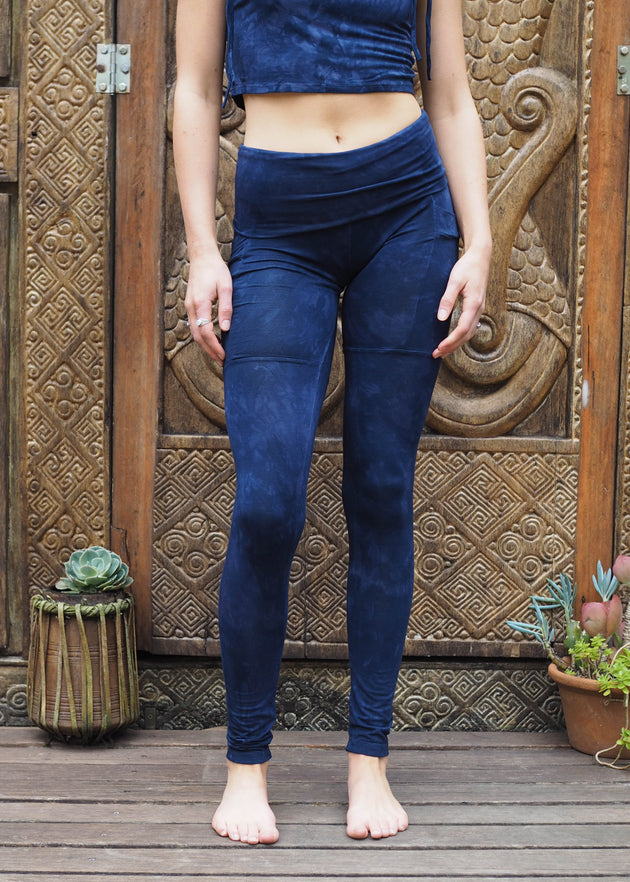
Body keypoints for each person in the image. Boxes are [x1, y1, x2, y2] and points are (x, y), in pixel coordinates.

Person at [173, 0, 491, 846]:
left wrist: (480, 240)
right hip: (279, 223)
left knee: (381, 489)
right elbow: (195, 89)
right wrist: (203, 249)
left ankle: (369, 760)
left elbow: (451, 93)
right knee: (267, 501)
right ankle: (246, 765)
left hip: (408, 211)